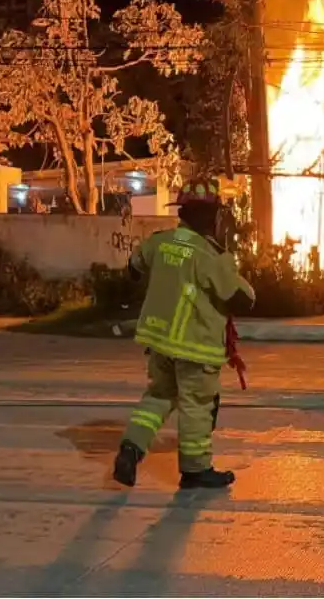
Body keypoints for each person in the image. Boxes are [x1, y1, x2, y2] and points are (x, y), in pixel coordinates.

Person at [112, 177, 256, 490]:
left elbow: (134, 269)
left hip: (159, 342)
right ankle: (195, 469)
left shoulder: (159, 242)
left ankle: (131, 447)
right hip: (195, 346)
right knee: (196, 405)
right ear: (213, 216)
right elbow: (239, 299)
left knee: (159, 396)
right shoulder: (211, 256)